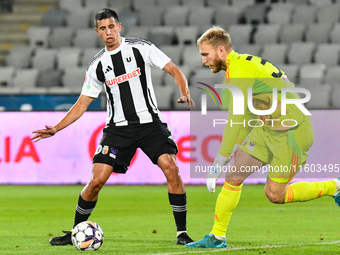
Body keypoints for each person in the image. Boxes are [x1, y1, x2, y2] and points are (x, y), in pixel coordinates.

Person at [31, 8, 195, 246]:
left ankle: (182, 233)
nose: (108, 32)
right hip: (118, 131)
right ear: (97, 32)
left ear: (119, 27)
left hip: (150, 125)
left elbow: (174, 70)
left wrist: (184, 92)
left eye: (111, 27)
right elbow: (82, 103)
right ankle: (76, 231)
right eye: (102, 29)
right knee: (96, 181)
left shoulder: (141, 48)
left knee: (172, 169)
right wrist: (56, 128)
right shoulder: (97, 65)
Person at [185, 26, 340, 248]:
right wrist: (233, 150)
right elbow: (247, 114)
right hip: (266, 129)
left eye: (205, 54)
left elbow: (235, 118)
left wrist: (221, 156)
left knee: (274, 194)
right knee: (233, 177)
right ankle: (217, 237)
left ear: (220, 50)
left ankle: (333, 186)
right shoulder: (238, 66)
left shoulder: (240, 70)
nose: (203, 61)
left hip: (292, 133)